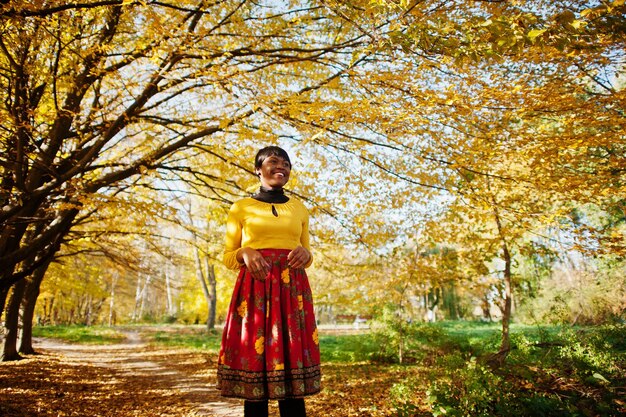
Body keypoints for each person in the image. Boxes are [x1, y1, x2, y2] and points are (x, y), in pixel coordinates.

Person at [217, 146, 321, 417]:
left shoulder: (299, 208)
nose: (282, 167)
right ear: (258, 169)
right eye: (274, 161)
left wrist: (306, 253)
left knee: (290, 370)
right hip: (255, 291)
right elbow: (228, 258)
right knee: (256, 361)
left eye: (286, 163)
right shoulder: (240, 207)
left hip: (291, 290)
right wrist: (245, 252)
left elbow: (307, 256)